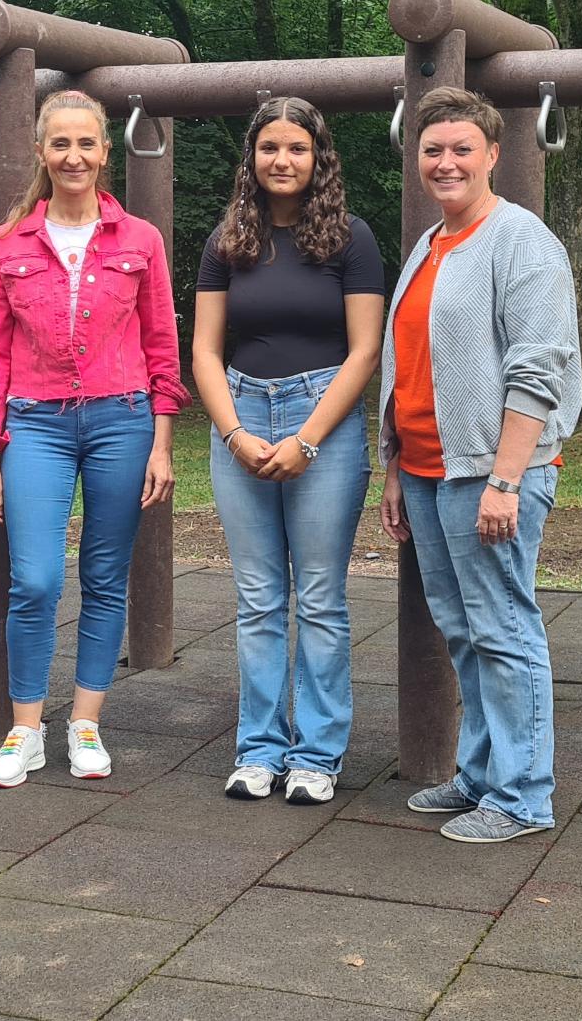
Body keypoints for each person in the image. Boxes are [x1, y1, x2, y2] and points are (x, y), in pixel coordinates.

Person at [0, 90, 188, 787]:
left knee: (103, 576)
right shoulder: (8, 245)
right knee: (33, 580)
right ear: (40, 152)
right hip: (35, 422)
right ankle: (24, 730)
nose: (74, 157)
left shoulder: (139, 240)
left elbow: (162, 345)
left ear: (103, 151)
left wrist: (160, 441)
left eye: (86, 144)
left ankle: (85, 722)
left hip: (122, 420)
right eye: (60, 144)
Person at [378, 86, 581, 842]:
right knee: (463, 630)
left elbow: (539, 369)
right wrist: (395, 467)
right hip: (430, 472)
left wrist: (506, 478)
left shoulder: (520, 241)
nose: (446, 162)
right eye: (433, 149)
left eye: (462, 148)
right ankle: (483, 775)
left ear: (493, 155)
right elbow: (411, 368)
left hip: (492, 475)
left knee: (504, 629)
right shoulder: (431, 245)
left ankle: (524, 797)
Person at [192, 97, 383, 805]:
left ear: (318, 158)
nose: (282, 160)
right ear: (253, 157)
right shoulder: (227, 242)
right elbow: (205, 350)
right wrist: (235, 434)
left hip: (321, 416)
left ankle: (318, 754)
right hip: (238, 412)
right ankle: (260, 749)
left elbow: (365, 351)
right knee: (258, 599)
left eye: (296, 149)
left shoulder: (349, 238)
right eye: (269, 147)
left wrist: (307, 439)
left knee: (321, 598)